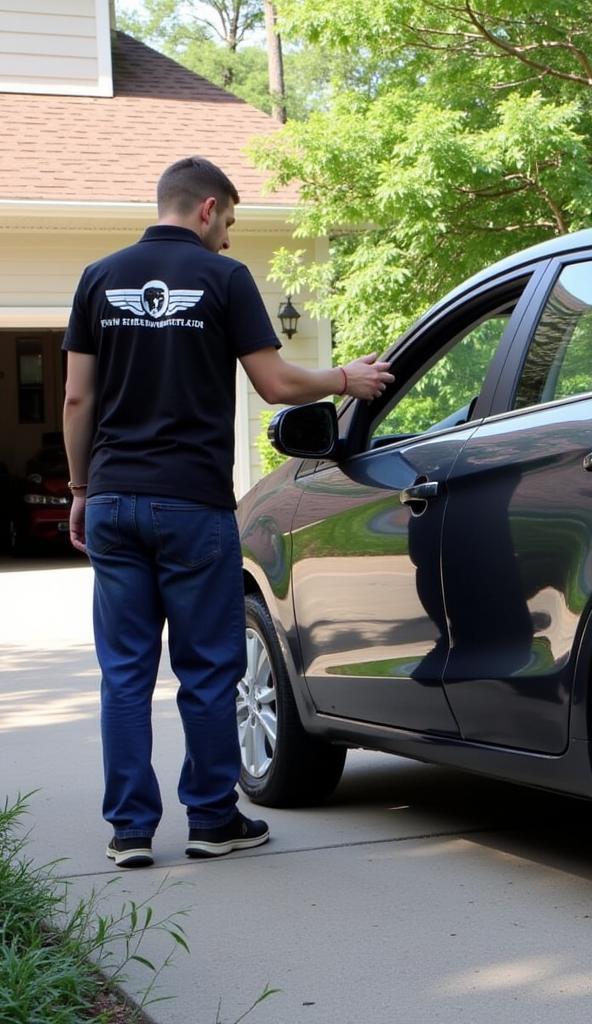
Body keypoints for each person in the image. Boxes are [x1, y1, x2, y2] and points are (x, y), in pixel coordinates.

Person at [62, 156, 394, 868]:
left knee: (124, 672)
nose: (229, 240)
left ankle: (129, 832)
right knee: (209, 668)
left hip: (115, 497)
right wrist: (345, 379)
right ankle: (212, 819)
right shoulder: (223, 279)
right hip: (191, 502)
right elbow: (274, 383)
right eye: (231, 224)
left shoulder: (98, 278)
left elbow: (76, 401)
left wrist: (81, 490)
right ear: (208, 209)